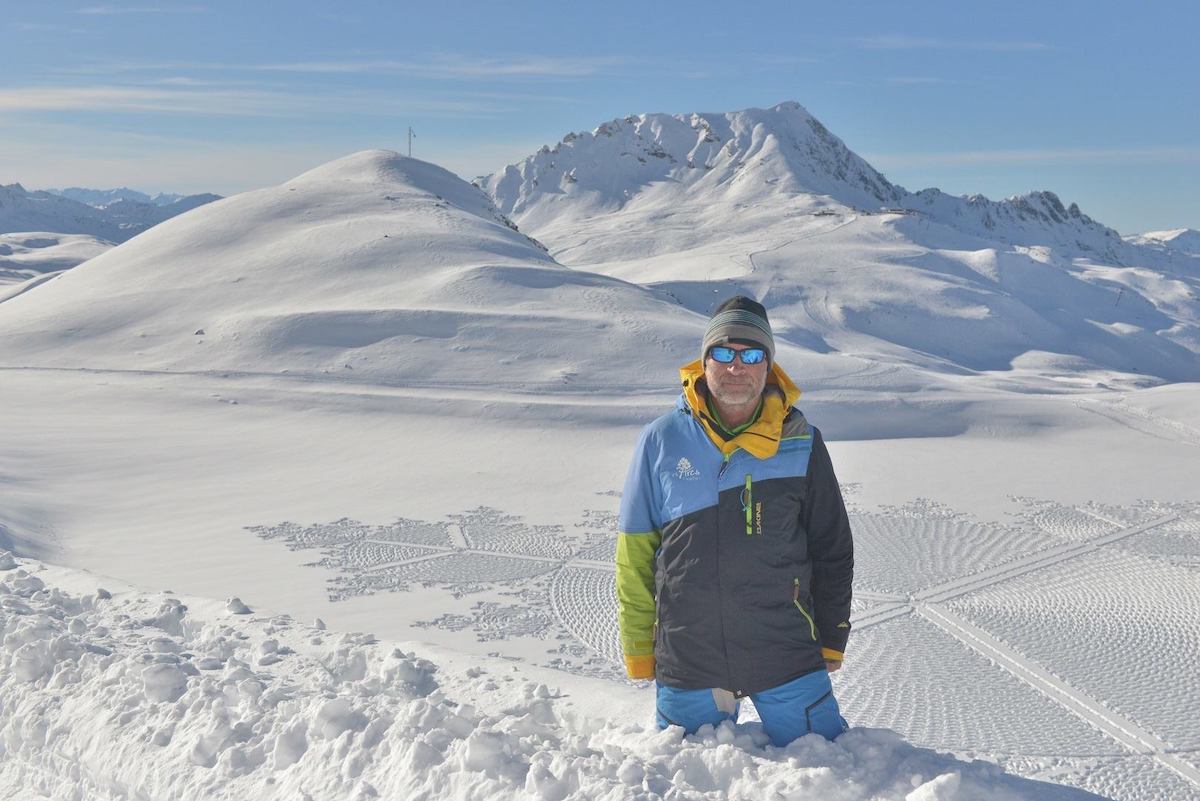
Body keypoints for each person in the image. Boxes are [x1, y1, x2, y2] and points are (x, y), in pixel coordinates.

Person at [616, 295, 854, 746]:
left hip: (785, 650)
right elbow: (635, 553)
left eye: (751, 354)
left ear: (769, 366)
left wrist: (832, 636)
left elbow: (832, 547)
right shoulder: (661, 440)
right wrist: (637, 646)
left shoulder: (801, 442)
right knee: (690, 778)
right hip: (689, 654)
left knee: (828, 769)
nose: (736, 365)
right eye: (723, 353)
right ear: (704, 362)